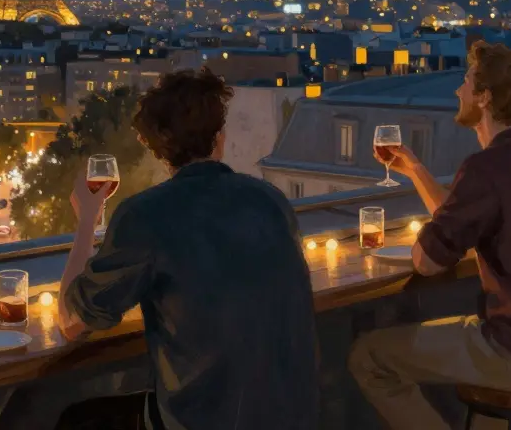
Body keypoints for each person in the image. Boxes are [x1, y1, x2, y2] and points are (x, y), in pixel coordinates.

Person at [348, 41, 511, 430]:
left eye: (465, 82)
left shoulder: (486, 167)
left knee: (368, 357)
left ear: (484, 97)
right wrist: (416, 170)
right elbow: (466, 216)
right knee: (479, 351)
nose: (457, 91)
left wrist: (422, 244)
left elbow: (428, 262)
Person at [53, 69, 319, 430]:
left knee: (76, 420)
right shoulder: (270, 199)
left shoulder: (146, 215)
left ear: (156, 147)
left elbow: (72, 322)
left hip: (207, 420)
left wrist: (86, 220)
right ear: (219, 138)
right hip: (293, 418)